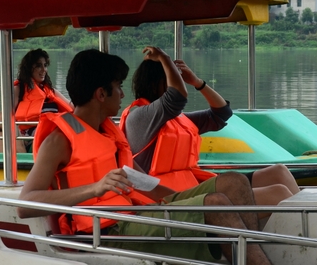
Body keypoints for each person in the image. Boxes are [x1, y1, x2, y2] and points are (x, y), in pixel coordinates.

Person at [17, 49, 272, 265]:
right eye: (118, 87)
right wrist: (94, 188)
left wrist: (183, 201)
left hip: (136, 214)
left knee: (234, 182)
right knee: (214, 205)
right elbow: (25, 204)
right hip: (108, 231)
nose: (122, 94)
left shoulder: (108, 131)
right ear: (101, 94)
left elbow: (141, 181)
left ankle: (248, 257)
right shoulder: (59, 140)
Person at [120, 46, 299, 217]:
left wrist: (198, 83)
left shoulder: (177, 120)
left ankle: (307, 227)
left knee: (279, 172)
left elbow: (221, 113)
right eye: (173, 78)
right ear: (154, 84)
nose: (178, 82)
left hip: (192, 187)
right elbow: (176, 97)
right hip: (171, 200)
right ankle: (304, 231)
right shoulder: (140, 117)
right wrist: (165, 59)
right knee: (278, 193)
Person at [13, 49, 73, 146]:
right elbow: (8, 116)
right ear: (28, 68)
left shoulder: (50, 91)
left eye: (45, 65)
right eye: (38, 66)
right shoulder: (19, 89)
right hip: (34, 135)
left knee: (76, 131)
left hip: (55, 131)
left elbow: (72, 107)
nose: (44, 69)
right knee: (59, 138)